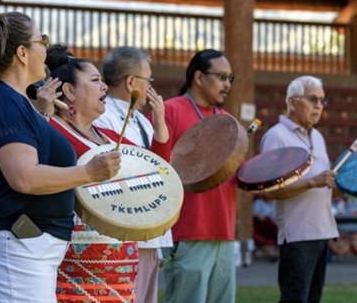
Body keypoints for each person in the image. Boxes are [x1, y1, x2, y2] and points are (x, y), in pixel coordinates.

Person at [0, 9, 121, 303]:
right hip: (17, 246)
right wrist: (90, 172)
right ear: (23, 53)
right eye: (42, 40)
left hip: (29, 248)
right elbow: (24, 177)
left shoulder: (15, 99)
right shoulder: (1, 100)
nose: (47, 48)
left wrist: (44, 117)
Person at [42, 44, 170, 302]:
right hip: (76, 265)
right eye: (95, 81)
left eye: (103, 80)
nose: (104, 87)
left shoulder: (110, 136)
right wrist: (43, 113)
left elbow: (156, 174)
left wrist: (160, 126)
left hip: (121, 265)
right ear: (69, 91)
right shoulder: (52, 129)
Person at [149, 49, 238, 303]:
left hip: (225, 230)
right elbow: (153, 166)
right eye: (222, 76)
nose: (227, 84)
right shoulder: (168, 111)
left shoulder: (227, 121)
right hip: (186, 229)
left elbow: (237, 174)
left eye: (231, 78)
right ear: (199, 77)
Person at [93, 45, 173, 303]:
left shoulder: (143, 120)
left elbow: (161, 170)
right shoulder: (103, 116)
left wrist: (160, 123)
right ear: (131, 82)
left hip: (148, 230)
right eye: (148, 80)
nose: (151, 86)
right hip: (122, 225)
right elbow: (133, 167)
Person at [260, 75, 339, 303]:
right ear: (292, 102)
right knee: (294, 299)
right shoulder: (276, 136)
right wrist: (313, 182)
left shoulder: (319, 136)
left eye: (322, 101)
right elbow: (269, 191)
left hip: (322, 232)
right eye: (313, 99)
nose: (318, 106)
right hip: (297, 235)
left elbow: (322, 184)